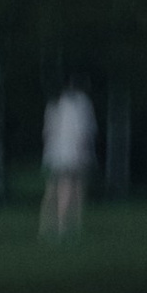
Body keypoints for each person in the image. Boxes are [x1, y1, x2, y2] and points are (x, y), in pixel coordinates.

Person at [41, 86, 97, 237]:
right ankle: (64, 226)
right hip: (72, 154)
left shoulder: (55, 105)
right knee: (69, 188)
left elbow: (48, 131)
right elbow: (84, 132)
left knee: (56, 188)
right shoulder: (81, 104)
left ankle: (50, 226)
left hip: (56, 154)